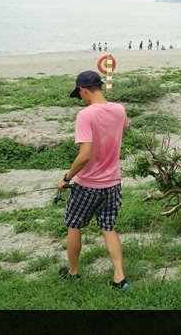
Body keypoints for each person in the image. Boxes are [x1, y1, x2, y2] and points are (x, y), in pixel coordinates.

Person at [58, 70, 130, 289]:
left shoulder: (85, 115)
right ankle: (119, 276)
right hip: (113, 183)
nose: (80, 98)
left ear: (83, 90)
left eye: (79, 94)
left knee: (74, 225)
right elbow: (120, 132)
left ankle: (73, 272)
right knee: (108, 227)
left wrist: (66, 178)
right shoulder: (119, 110)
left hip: (88, 184)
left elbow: (85, 155)